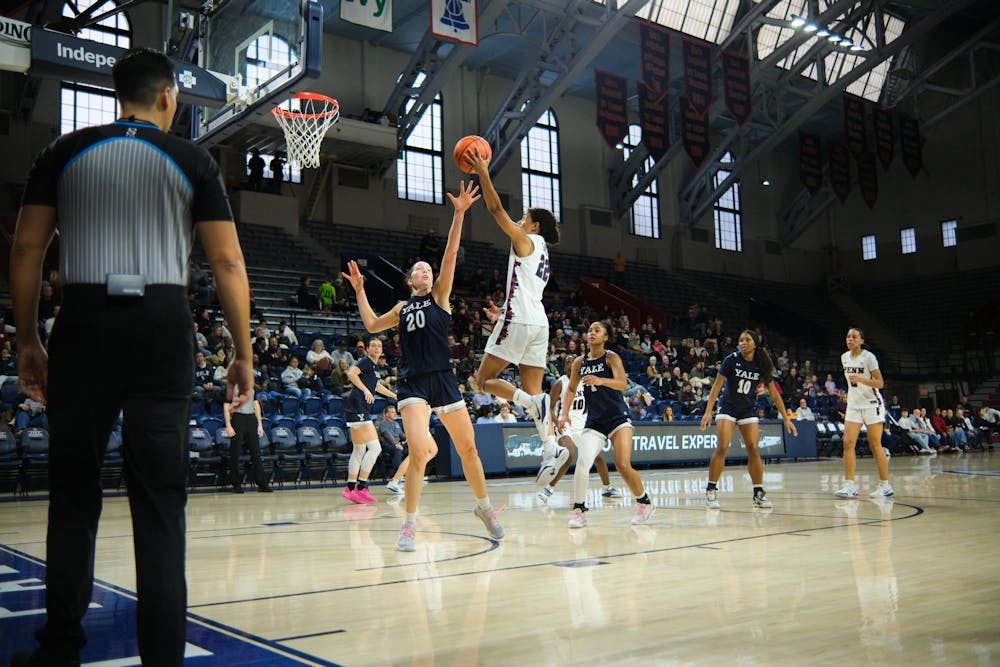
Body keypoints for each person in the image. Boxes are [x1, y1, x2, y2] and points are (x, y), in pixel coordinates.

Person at [9, 47, 253, 666]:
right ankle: (163, 657)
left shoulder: (61, 153)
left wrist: (31, 340)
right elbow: (226, 261)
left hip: (83, 326)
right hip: (161, 328)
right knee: (161, 506)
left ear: (119, 92)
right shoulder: (191, 159)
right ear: (168, 95)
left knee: (72, 496)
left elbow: (26, 251)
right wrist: (242, 352)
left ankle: (59, 646)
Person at [342, 180, 505, 552]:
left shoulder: (441, 298)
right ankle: (409, 525)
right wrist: (359, 290)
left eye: (428, 269)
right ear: (409, 279)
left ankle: (484, 508)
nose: (426, 271)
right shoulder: (402, 308)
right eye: (419, 269)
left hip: (444, 380)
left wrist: (459, 214)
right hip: (413, 384)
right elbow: (370, 325)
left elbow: (450, 254)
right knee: (418, 452)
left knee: (469, 451)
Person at [464, 151, 568, 485]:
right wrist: (502, 314)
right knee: (534, 390)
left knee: (481, 381)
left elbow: (495, 210)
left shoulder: (526, 239)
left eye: (524, 217)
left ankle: (530, 406)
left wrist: (483, 172)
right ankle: (551, 445)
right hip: (538, 322)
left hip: (521, 318)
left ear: (535, 225)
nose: (520, 221)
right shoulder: (543, 252)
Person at [557, 321, 654, 528]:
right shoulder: (579, 363)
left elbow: (623, 384)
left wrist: (601, 381)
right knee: (583, 463)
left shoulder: (611, 357)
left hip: (618, 417)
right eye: (590, 330)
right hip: (595, 421)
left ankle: (644, 502)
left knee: (622, 464)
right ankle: (578, 509)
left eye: (597, 330)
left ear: (605, 337)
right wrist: (564, 413)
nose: (592, 333)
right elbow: (571, 389)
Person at [699, 330, 797, 509]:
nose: (743, 342)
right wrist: (708, 412)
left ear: (755, 343)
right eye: (741, 340)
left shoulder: (761, 363)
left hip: (747, 409)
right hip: (728, 406)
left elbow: (774, 394)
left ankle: (758, 493)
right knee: (722, 446)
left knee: (753, 448)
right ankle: (711, 490)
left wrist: (786, 418)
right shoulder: (731, 360)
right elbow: (716, 386)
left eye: (747, 340)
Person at [537, 358, 621, 504]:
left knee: (599, 457)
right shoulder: (560, 383)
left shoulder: (585, 381)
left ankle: (607, 488)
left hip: (582, 424)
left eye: (574, 362)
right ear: (565, 368)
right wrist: (557, 423)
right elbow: (548, 406)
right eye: (568, 362)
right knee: (569, 455)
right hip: (565, 424)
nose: (572, 365)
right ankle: (548, 489)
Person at [834, 328, 893, 498]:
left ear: (861, 340)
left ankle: (885, 485)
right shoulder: (844, 357)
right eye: (848, 337)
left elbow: (880, 382)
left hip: (872, 404)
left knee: (875, 444)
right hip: (853, 405)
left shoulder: (869, 357)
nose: (850, 339)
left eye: (854, 337)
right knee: (847, 442)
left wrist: (861, 380)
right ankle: (850, 485)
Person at [342, 337, 397, 504]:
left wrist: (394, 395)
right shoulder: (366, 361)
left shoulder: (373, 367)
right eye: (373, 345)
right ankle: (362, 486)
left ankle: (351, 488)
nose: (376, 348)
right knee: (375, 448)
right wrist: (365, 390)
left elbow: (377, 387)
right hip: (358, 408)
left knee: (359, 449)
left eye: (379, 346)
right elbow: (351, 374)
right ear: (367, 348)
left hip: (358, 409)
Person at [223, 379, 272, 493]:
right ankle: (236, 484)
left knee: (256, 453)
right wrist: (228, 425)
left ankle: (262, 483)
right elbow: (226, 406)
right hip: (238, 417)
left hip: (251, 419)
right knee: (235, 453)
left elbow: (256, 404)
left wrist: (260, 424)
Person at [377, 405, 407, 494]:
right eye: (392, 412)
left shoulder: (396, 424)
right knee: (397, 450)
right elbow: (387, 436)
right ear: (386, 414)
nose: (395, 414)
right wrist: (396, 444)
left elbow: (402, 436)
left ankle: (412, 474)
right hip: (387, 446)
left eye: (395, 412)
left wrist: (409, 439)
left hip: (398, 445)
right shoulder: (383, 423)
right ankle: (398, 474)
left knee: (413, 450)